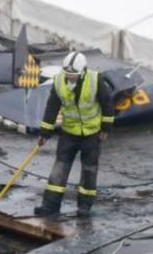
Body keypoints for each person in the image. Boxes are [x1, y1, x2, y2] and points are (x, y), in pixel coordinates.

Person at [34, 51, 115, 218]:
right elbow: (52, 107)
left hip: (91, 134)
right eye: (68, 74)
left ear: (82, 72)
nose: (70, 78)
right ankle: (50, 205)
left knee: (89, 170)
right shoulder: (58, 82)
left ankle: (84, 206)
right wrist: (45, 132)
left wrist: (106, 128)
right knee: (59, 169)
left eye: (74, 75)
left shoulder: (94, 80)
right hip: (69, 134)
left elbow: (107, 103)